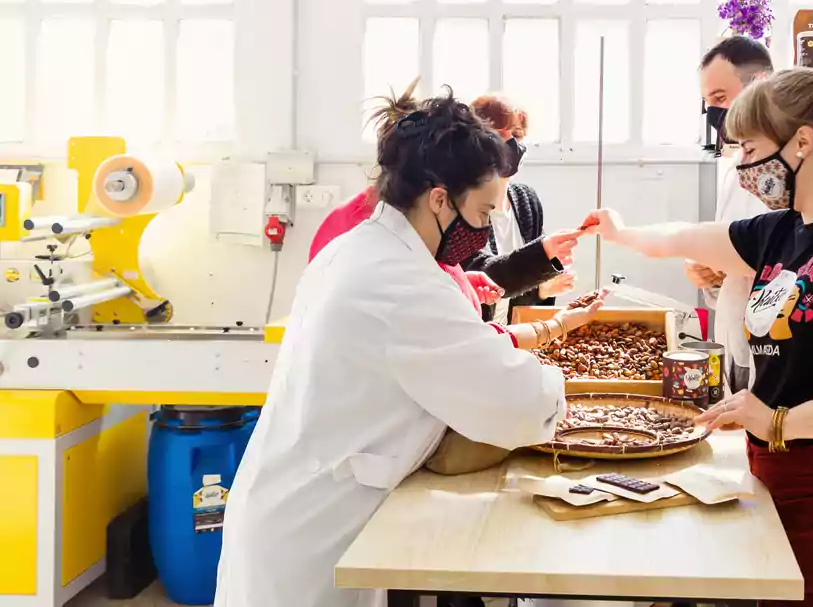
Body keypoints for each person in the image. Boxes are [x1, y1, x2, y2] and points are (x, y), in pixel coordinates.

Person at [216, 91, 607, 607]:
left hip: (301, 505)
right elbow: (521, 401)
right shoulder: (397, 281)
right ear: (440, 199)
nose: (487, 229)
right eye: (484, 210)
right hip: (310, 537)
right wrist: (554, 382)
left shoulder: (364, 249)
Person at [580, 67, 813, 606]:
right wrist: (620, 233)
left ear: (802, 141)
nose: (743, 164)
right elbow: (684, 238)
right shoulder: (781, 230)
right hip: (779, 478)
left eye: (749, 147)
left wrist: (779, 420)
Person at [692, 36, 774, 394]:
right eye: (708, 103)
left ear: (759, 86)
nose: (714, 114)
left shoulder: (791, 167)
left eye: (721, 99)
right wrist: (708, 272)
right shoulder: (732, 168)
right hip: (734, 336)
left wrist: (736, 265)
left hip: (776, 343)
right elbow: (726, 251)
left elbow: (800, 260)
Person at [465, 93, 579, 324]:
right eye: (497, 135)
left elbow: (520, 286)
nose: (509, 145)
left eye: (516, 135)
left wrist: (543, 291)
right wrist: (543, 256)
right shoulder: (460, 204)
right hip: (472, 336)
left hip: (512, 336)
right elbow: (483, 274)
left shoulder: (526, 200)